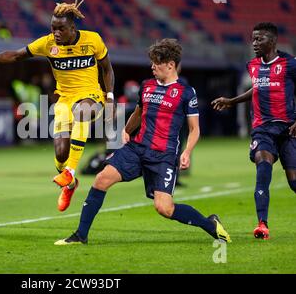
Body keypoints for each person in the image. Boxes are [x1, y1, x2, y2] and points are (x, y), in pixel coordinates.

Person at [55, 38, 231, 245]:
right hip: (137, 149)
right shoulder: (146, 87)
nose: (152, 66)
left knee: (164, 208)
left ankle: (209, 224)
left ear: (170, 65)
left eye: (156, 63)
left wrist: (187, 152)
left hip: (164, 156)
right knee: (102, 179)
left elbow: (194, 129)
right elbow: (139, 112)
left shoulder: (186, 93)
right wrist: (127, 130)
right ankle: (80, 235)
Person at [0, 0, 115, 212]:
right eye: (53, 28)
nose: (56, 33)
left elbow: (107, 68)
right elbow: (16, 55)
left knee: (83, 112)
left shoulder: (92, 40)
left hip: (91, 95)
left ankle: (70, 172)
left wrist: (110, 97)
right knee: (60, 154)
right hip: (64, 100)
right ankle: (70, 184)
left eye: (61, 29)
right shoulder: (47, 44)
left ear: (72, 27)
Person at [211, 22, 296, 240]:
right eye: (254, 39)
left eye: (260, 39)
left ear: (273, 41)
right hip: (262, 129)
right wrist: (231, 101)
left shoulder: (289, 64)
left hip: (288, 129)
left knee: (293, 182)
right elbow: (258, 88)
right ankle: (262, 224)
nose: (255, 43)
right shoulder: (253, 66)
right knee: (263, 167)